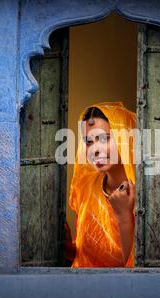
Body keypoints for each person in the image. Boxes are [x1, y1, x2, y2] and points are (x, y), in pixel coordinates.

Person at [64, 101, 137, 267]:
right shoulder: (87, 187)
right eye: (89, 142)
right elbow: (86, 256)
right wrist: (68, 247)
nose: (94, 149)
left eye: (104, 138)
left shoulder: (149, 191)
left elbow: (139, 273)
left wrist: (124, 217)